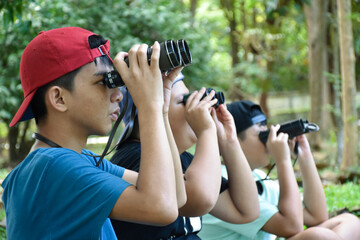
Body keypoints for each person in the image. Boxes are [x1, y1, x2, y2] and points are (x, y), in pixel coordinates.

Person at [1, 27, 184, 239]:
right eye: (102, 83)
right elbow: (162, 207)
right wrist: (149, 106)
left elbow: (176, 196)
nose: (118, 95)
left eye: (114, 82)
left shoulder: (71, 160)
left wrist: (160, 109)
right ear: (59, 99)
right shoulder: (53, 166)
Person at [110, 74, 260, 239]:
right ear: (156, 111)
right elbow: (200, 200)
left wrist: (228, 140)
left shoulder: (185, 160)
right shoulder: (136, 157)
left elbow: (246, 211)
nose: (196, 108)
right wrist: (205, 131)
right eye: (184, 101)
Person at [199, 100, 360, 240]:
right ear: (232, 137)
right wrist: (283, 161)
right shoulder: (220, 179)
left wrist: (304, 155)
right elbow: (291, 226)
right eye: (261, 135)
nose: (268, 140)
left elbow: (316, 216)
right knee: (319, 237)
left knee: (349, 222)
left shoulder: (258, 176)